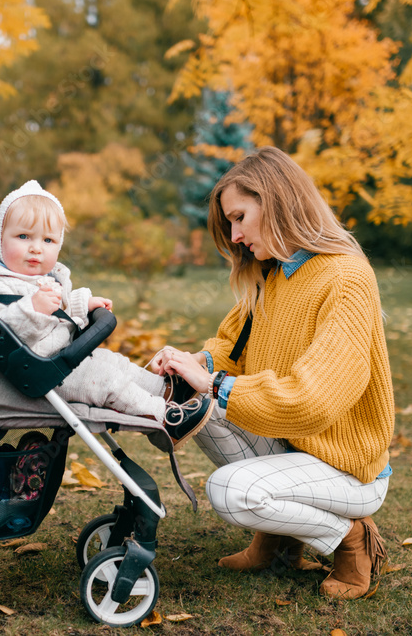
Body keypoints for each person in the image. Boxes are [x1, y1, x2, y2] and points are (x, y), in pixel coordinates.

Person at [151, 147, 395, 599]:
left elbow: (313, 400)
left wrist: (214, 384)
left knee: (229, 491)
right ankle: (279, 540)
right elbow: (230, 350)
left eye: (240, 217)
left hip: (346, 469)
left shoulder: (346, 278)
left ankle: (351, 540)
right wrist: (188, 364)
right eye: (230, 224)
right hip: (295, 449)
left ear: (277, 202)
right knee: (191, 404)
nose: (236, 235)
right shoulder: (273, 274)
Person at [0, 180, 213, 447]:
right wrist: (32, 310)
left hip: (58, 358)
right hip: (31, 374)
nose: (36, 248)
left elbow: (58, 312)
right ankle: (166, 419)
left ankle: (166, 391)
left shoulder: (44, 278)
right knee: (103, 379)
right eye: (23, 237)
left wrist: (81, 305)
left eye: (48, 240)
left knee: (112, 361)